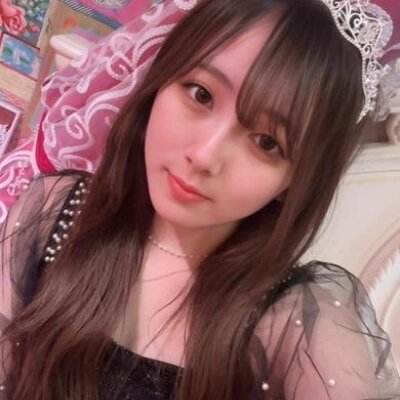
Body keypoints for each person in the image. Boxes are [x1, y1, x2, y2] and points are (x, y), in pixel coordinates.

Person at [1, 0, 400, 399]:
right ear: (162, 79)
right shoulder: (56, 210)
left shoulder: (295, 323)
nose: (206, 155)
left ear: (295, 182)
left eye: (266, 142)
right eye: (201, 94)